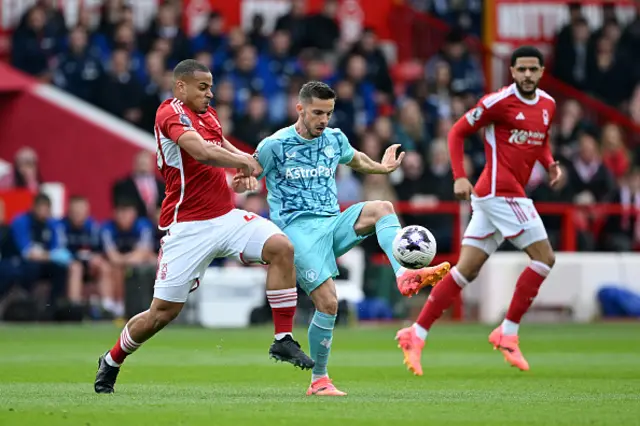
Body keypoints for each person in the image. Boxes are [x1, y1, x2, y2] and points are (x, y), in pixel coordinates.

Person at [94, 59, 313, 394]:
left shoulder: (208, 114)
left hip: (225, 217)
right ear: (180, 87)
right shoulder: (169, 113)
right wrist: (242, 161)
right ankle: (111, 359)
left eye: (211, 86)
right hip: (188, 227)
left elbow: (221, 146)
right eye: (203, 87)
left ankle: (282, 338)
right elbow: (201, 152)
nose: (210, 93)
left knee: (281, 247)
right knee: (161, 314)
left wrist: (243, 167)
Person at [234, 81, 451, 396]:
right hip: (297, 231)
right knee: (329, 303)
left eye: (329, 113)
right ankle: (319, 381)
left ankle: (404, 275)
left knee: (382, 208)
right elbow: (250, 170)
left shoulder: (334, 139)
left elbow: (356, 159)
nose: (324, 120)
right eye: (317, 113)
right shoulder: (276, 145)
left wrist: (382, 167)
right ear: (300, 109)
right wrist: (242, 182)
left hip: (333, 222)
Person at [395, 46, 562, 376]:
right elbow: (457, 131)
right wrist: (459, 177)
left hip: (495, 196)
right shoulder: (498, 102)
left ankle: (416, 333)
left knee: (465, 270)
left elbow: (540, 139)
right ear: (512, 71)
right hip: (501, 192)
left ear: (541, 72)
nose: (527, 75)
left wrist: (549, 163)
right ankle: (508, 332)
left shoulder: (548, 105)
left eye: (533, 69)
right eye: (521, 69)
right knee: (544, 258)